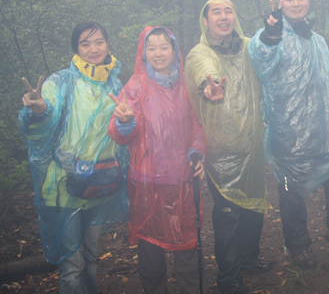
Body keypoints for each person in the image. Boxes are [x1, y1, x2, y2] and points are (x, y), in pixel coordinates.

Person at [247, 0, 329, 270]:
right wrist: (270, 36)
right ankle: (298, 245)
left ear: (308, 2)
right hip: (289, 132)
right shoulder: (273, 35)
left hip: (323, 130)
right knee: (292, 192)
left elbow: (318, 79)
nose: (296, 3)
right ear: (280, 3)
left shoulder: (317, 40)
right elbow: (260, 57)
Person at [18, 21, 129, 294]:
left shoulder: (115, 85)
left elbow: (123, 133)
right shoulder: (60, 82)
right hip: (64, 188)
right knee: (72, 264)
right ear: (76, 49)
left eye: (99, 41)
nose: (94, 49)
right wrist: (39, 109)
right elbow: (40, 126)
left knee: (90, 257)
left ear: (108, 44)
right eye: (85, 43)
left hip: (100, 183)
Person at [107, 26, 207, 293]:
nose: (158, 53)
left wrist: (197, 152)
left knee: (187, 243)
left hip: (182, 179)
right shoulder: (135, 86)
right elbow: (118, 133)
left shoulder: (186, 85)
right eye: (151, 48)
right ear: (143, 53)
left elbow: (197, 124)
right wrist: (125, 121)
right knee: (150, 247)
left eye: (164, 47)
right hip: (146, 182)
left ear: (175, 50)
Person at [185, 0, 270, 294]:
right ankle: (229, 277)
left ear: (235, 16)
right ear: (205, 20)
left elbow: (270, 55)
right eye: (216, 13)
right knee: (228, 215)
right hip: (221, 153)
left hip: (252, 145)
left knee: (254, 207)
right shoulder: (200, 52)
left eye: (228, 11)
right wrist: (208, 86)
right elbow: (203, 69)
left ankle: (249, 257)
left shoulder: (249, 46)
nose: (223, 17)